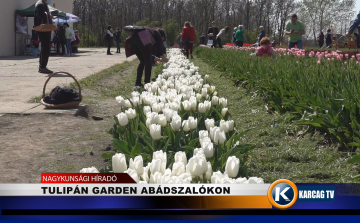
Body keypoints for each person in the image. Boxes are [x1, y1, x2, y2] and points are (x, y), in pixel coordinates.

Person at [34, 0, 53, 74]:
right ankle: (42, 67)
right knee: (45, 48)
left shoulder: (43, 4)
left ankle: (42, 66)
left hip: (45, 29)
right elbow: (39, 16)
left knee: (44, 48)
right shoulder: (40, 4)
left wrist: (49, 17)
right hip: (43, 29)